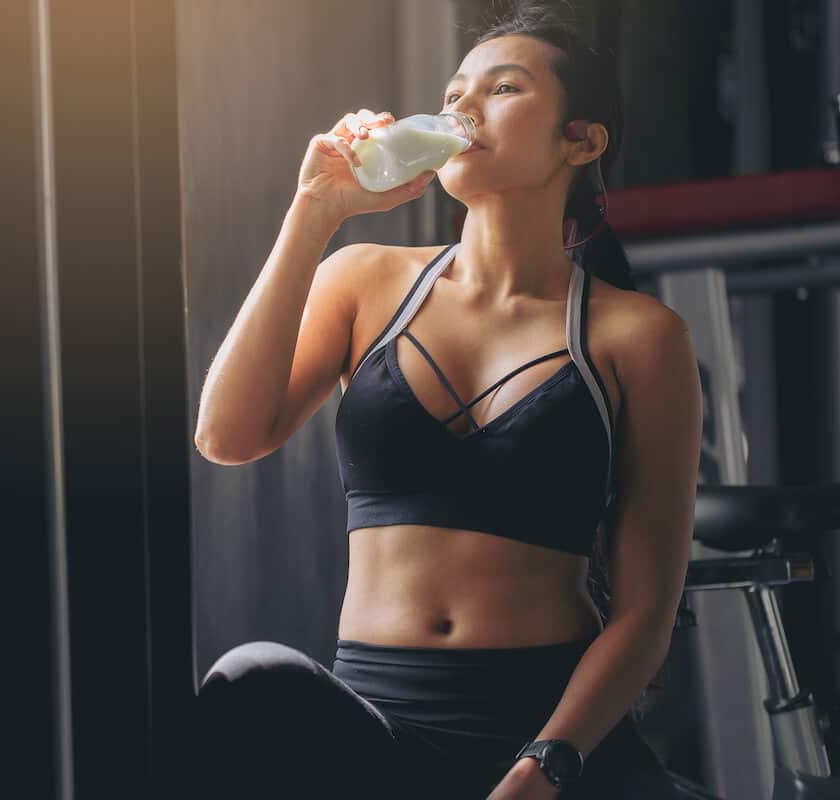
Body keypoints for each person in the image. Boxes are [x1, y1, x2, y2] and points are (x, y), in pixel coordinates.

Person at [190, 2, 702, 798]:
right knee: (249, 680)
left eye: (502, 88)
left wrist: (542, 771)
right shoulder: (364, 281)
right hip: (382, 730)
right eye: (454, 91)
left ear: (582, 139)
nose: (462, 107)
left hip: (551, 738)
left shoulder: (639, 336)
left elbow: (644, 615)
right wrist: (313, 212)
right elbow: (227, 434)